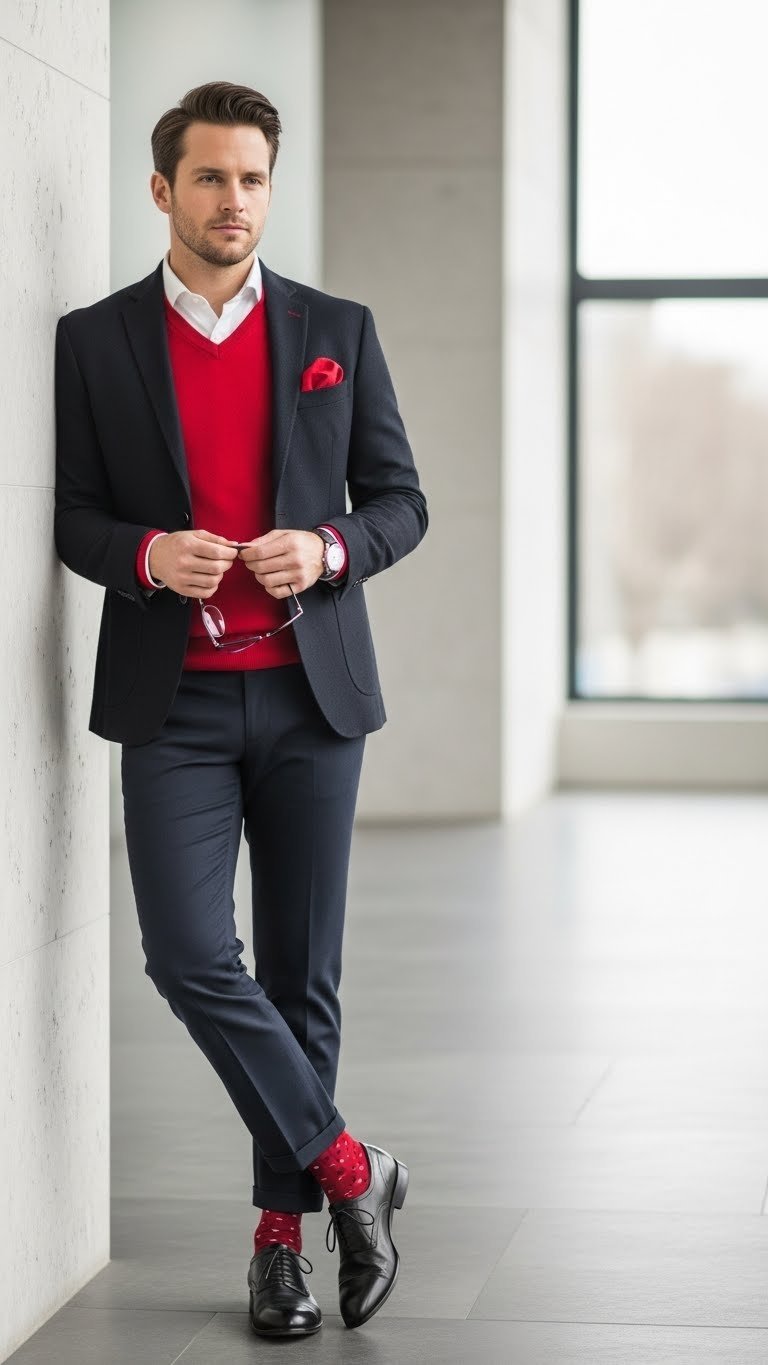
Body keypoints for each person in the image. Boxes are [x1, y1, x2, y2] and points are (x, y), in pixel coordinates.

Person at [53, 79, 427, 1339]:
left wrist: (326, 550)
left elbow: (399, 502)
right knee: (186, 954)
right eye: (210, 178)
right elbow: (72, 518)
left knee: (300, 976)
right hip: (178, 706)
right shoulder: (95, 341)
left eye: (254, 178)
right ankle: (346, 1168)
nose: (234, 201)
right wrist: (146, 557)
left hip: (314, 701)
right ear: (163, 190)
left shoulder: (338, 328)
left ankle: (283, 1247)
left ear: (273, 184)